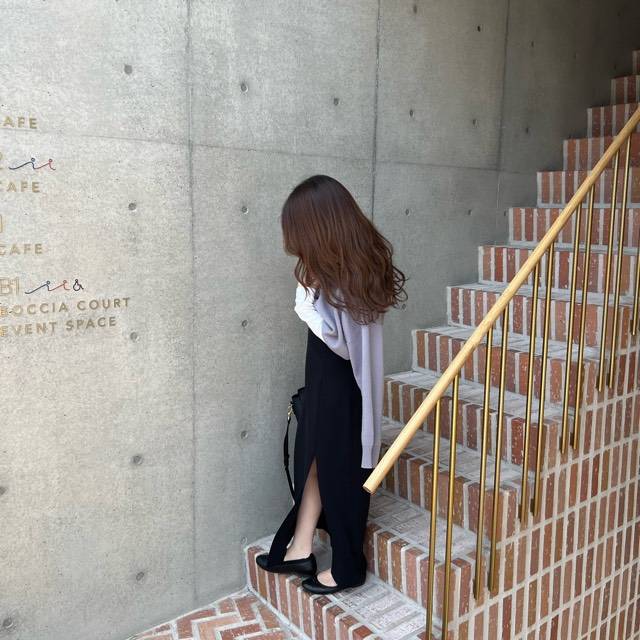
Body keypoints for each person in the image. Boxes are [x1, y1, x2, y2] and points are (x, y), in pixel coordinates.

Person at [256, 174, 408, 594]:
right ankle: (301, 546)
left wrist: (307, 308)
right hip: (325, 381)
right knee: (313, 460)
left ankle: (347, 566)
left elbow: (349, 348)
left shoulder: (350, 275)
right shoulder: (337, 269)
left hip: (343, 387)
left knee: (340, 470)